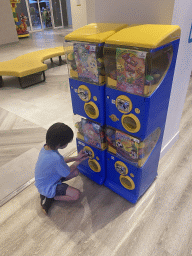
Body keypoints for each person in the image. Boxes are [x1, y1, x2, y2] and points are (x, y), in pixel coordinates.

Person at [35, 122, 89, 215]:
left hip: (45, 181)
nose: (67, 144)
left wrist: (76, 158)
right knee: (76, 195)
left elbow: (61, 161)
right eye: (67, 142)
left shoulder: (46, 148)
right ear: (60, 144)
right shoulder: (55, 158)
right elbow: (67, 171)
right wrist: (79, 161)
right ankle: (51, 198)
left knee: (76, 172)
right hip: (48, 187)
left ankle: (48, 194)